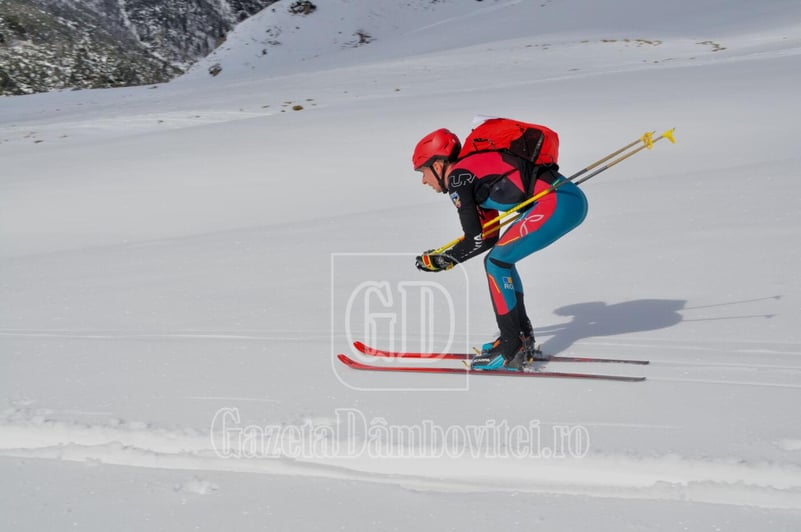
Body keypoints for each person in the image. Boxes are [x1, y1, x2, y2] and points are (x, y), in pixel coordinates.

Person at [412, 123, 588, 370]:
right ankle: (521, 339)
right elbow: (488, 237)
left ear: (438, 165)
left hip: (557, 202)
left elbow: (474, 239)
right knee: (500, 259)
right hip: (566, 200)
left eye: (423, 171)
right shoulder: (471, 170)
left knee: (497, 263)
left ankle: (510, 348)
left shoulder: (459, 178)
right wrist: (444, 257)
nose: (423, 180)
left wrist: (444, 260)